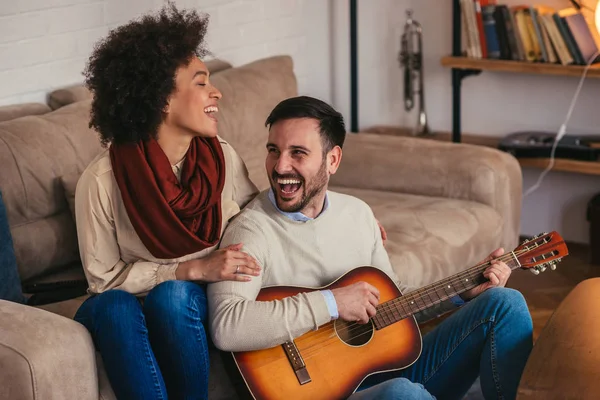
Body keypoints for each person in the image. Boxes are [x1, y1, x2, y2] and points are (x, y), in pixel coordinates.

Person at [207, 96, 534, 399]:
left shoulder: (357, 214)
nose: (279, 167)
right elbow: (228, 325)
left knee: (505, 304)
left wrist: (462, 293)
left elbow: (394, 300)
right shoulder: (251, 230)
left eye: (298, 153)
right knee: (404, 395)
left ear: (332, 160)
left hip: (380, 371)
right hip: (317, 392)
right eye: (273, 150)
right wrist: (332, 302)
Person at [72, 5, 262, 400]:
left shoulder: (221, 157)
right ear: (160, 100)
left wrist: (338, 220)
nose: (216, 92)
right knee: (114, 307)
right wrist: (190, 268)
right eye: (200, 83)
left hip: (182, 303)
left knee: (172, 297)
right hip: (123, 308)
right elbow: (103, 281)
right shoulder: (102, 181)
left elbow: (259, 217)